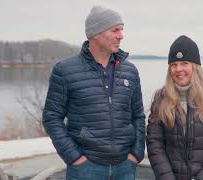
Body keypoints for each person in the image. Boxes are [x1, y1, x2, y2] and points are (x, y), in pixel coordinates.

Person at [42, 6, 145, 180]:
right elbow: (51, 117)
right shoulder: (65, 70)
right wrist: (74, 157)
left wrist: (136, 153)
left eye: (122, 29)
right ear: (95, 33)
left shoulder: (130, 71)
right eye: (115, 30)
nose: (121, 35)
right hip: (86, 168)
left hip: (125, 167)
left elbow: (138, 116)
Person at [146, 35, 203, 180]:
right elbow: (154, 143)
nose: (178, 69)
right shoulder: (160, 98)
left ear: (195, 66)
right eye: (173, 65)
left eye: (184, 63)